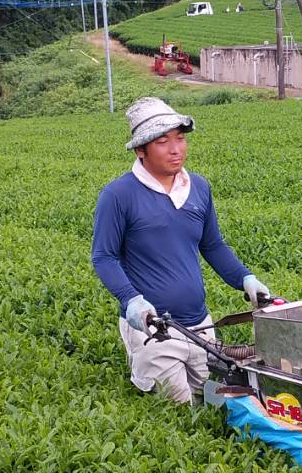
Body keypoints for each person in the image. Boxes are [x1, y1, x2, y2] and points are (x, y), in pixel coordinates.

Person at [91, 96, 271, 404]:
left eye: (180, 138)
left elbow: (211, 244)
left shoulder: (199, 187)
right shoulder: (119, 195)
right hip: (155, 329)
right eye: (163, 142)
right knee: (178, 407)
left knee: (213, 402)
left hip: (201, 324)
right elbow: (104, 257)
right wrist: (131, 300)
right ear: (140, 150)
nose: (176, 149)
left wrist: (245, 279)